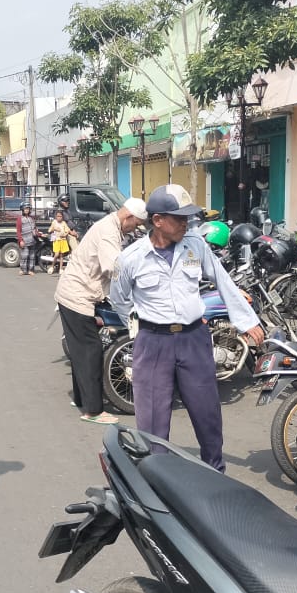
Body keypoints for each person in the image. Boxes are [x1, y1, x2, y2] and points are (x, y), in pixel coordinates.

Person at [110, 185, 265, 470]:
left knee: (207, 413)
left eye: (188, 218)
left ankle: (215, 473)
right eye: (179, 218)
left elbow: (222, 280)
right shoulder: (131, 258)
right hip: (153, 343)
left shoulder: (194, 245)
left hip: (194, 339)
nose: (186, 223)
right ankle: (158, 478)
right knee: (153, 422)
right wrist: (140, 327)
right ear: (157, 221)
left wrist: (247, 320)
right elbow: (118, 299)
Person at [55, 197, 148, 425]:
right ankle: (93, 410)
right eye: (135, 225)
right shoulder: (108, 232)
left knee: (80, 350)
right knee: (91, 350)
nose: (133, 230)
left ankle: (81, 399)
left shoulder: (111, 227)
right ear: (127, 217)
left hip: (72, 292)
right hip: (78, 296)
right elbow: (114, 269)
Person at [16, 202, 39, 276]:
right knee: (24, 255)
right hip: (24, 241)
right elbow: (18, 231)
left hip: (32, 240)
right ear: (22, 209)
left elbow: (34, 229)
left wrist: (39, 234)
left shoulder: (31, 218)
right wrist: (20, 241)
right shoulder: (20, 219)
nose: (27, 210)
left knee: (32, 256)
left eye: (28, 209)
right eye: (25, 208)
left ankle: (30, 270)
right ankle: (23, 270)